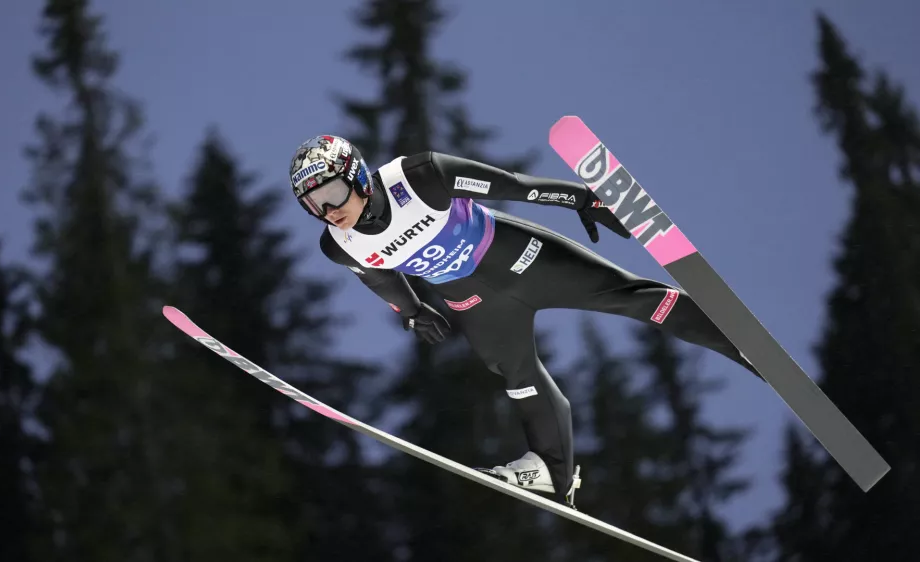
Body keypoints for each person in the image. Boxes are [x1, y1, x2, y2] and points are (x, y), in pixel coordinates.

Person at [289, 134, 761, 509]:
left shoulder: (419, 176)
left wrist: (581, 198)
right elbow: (377, 277)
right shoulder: (338, 244)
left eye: (330, 193)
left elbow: (515, 186)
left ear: (356, 175)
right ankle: (553, 469)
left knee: (632, 299)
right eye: (313, 206)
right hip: (475, 302)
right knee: (516, 375)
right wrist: (412, 312)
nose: (329, 211)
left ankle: (737, 343)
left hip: (525, 261)